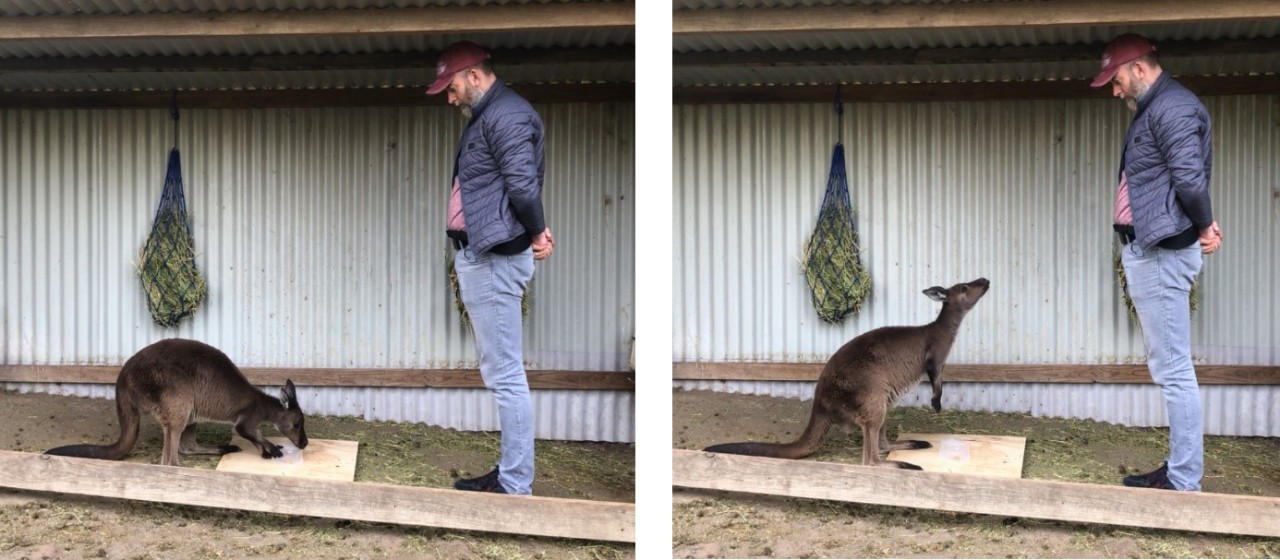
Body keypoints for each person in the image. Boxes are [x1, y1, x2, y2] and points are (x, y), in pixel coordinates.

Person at [1091, 33, 1222, 491]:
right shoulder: (1158, 108)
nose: (1115, 89)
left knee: (1173, 369)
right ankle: (1180, 468)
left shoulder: (1174, 108)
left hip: (1164, 253)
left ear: (1140, 70)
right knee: (1168, 365)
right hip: (1151, 250)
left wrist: (1205, 226)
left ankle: (1185, 480)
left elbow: (1189, 177)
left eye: (1118, 79)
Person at [427, 40, 555, 495]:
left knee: (505, 375)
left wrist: (538, 232)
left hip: (496, 260)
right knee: (500, 372)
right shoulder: (491, 116)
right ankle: (509, 472)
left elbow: (522, 186)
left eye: (453, 87)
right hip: (483, 256)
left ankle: (515, 483)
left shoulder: (508, 115)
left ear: (475, 77)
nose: (450, 96)